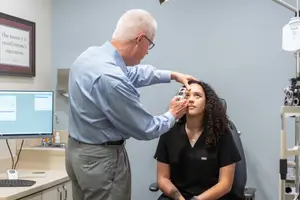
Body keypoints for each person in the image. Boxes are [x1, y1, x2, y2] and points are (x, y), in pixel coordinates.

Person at [65, 9, 198, 200]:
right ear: (140, 39)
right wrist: (173, 114)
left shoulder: (91, 56)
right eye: (149, 45)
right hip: (101, 162)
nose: (146, 52)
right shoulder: (111, 79)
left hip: (76, 154)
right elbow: (146, 128)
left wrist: (171, 75)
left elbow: (131, 74)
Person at [154, 81, 242, 200]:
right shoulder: (169, 132)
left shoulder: (222, 134)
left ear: (207, 103)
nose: (191, 100)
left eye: (197, 96)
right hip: (178, 197)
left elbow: (225, 184)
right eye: (187, 95)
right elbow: (162, 178)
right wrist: (179, 198)